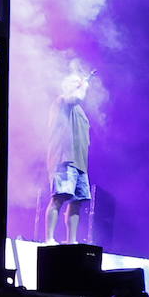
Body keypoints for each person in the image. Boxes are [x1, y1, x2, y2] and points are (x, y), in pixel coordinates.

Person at [44, 71, 93, 245]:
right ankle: (49, 238)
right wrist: (85, 83)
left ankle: (71, 240)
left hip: (80, 163)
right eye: (75, 82)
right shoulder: (63, 101)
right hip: (65, 158)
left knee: (77, 202)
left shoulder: (79, 110)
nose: (79, 85)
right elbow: (77, 97)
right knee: (59, 197)